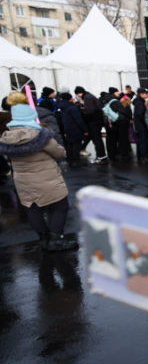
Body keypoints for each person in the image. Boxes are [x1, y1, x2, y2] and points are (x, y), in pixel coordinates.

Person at [0, 93, 77, 251]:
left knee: (33, 208)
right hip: (47, 178)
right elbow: (60, 154)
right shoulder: (41, 136)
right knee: (60, 206)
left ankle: (43, 240)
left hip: (23, 181)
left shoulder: (6, 138)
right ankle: (56, 240)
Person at [75, 86, 108, 165]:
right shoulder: (90, 96)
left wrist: (83, 112)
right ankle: (102, 157)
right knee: (98, 139)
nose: (78, 96)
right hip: (98, 121)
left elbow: (90, 110)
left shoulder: (87, 97)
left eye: (77, 94)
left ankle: (101, 157)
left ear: (80, 93)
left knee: (96, 140)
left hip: (94, 122)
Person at [59, 93, 88, 167]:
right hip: (75, 128)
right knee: (76, 145)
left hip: (67, 128)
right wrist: (85, 129)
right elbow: (79, 120)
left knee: (70, 144)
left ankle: (70, 159)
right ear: (69, 99)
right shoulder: (72, 108)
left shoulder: (63, 107)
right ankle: (76, 160)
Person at [104, 88, 132, 160]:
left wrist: (124, 93)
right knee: (122, 137)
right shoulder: (114, 101)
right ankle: (121, 153)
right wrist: (129, 116)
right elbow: (124, 110)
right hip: (119, 121)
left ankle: (112, 154)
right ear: (113, 93)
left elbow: (122, 97)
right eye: (116, 91)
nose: (118, 93)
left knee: (111, 138)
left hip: (110, 121)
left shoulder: (107, 99)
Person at [132, 87, 148, 163]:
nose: (147, 94)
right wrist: (145, 120)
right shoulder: (140, 103)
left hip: (139, 125)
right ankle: (144, 156)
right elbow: (140, 114)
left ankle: (143, 156)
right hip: (142, 125)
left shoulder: (138, 102)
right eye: (145, 93)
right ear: (141, 94)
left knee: (142, 140)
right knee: (144, 141)